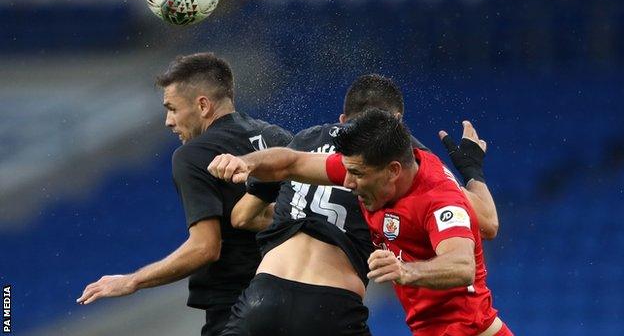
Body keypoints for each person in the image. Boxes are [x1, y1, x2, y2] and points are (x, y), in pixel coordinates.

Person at [208, 108, 512, 336]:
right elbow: (292, 162)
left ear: (393, 170)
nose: (348, 183)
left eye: (357, 175)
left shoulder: (439, 199)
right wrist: (246, 162)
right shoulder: (368, 166)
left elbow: (461, 265)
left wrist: (406, 269)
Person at [76, 52, 292, 336]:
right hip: (293, 301)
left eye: (172, 108)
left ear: (203, 105)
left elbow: (205, 247)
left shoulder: (192, 155)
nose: (168, 121)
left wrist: (133, 280)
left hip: (238, 309)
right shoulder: (280, 138)